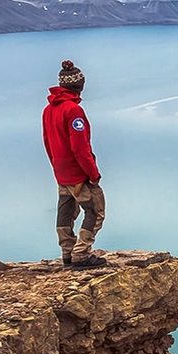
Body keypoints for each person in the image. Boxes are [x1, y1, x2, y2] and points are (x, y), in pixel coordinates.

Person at [42, 60, 106, 268]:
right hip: (78, 174)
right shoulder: (73, 111)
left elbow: (47, 142)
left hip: (61, 172)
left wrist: (56, 168)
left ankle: (67, 252)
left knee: (66, 210)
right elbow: (80, 148)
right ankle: (81, 254)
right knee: (95, 211)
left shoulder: (49, 110)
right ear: (80, 85)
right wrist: (93, 174)